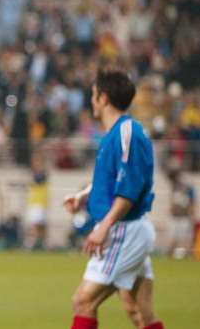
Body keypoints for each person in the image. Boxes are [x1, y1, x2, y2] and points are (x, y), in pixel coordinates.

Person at [63, 68, 164, 329]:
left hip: (123, 229)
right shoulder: (117, 133)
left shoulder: (127, 132)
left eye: (94, 94)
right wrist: (83, 196)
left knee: (83, 302)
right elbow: (111, 181)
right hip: (129, 229)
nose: (91, 100)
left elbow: (129, 188)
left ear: (104, 98)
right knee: (139, 312)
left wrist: (104, 227)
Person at [166, 161, 196, 258]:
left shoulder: (188, 188)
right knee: (173, 238)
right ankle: (170, 255)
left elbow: (192, 201)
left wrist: (191, 213)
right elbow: (173, 199)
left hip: (184, 217)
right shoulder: (174, 186)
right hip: (175, 216)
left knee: (184, 239)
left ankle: (185, 255)